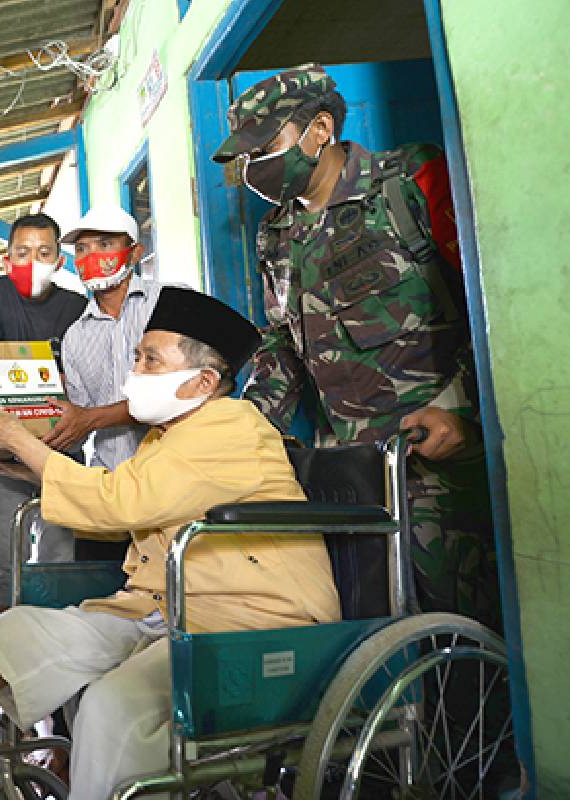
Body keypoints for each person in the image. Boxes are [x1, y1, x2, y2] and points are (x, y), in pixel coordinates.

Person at [0, 287, 340, 798]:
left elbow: (119, 502)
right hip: (165, 607)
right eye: (137, 357)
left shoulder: (232, 427)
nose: (135, 373)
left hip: (245, 617)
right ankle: (0, 666)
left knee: (114, 704)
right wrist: (35, 472)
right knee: (19, 631)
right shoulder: (168, 435)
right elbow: (124, 510)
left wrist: (22, 440)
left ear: (204, 381)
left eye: (150, 360)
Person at [210, 64, 499, 628]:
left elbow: (491, 305)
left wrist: (470, 419)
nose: (253, 169)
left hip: (438, 467)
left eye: (264, 148)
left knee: (465, 638)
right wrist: (241, 431)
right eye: (245, 158)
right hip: (352, 479)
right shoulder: (277, 235)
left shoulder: (407, 183)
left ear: (319, 130)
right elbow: (283, 345)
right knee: (375, 633)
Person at [0, 212, 86, 618]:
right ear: (6, 260)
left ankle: (52, 646)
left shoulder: (76, 308)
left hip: (60, 452)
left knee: (60, 559)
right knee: (4, 564)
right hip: (0, 454)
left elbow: (77, 381)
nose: (32, 261)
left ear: (59, 261)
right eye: (22, 252)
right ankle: (2, 654)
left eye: (43, 252)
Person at [50, 205, 162, 562]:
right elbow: (80, 423)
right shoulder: (74, 337)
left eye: (104, 243)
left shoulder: (168, 304)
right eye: (81, 249)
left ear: (136, 252)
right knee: (101, 599)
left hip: (167, 485)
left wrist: (90, 418)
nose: (91, 256)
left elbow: (178, 397)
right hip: (107, 491)